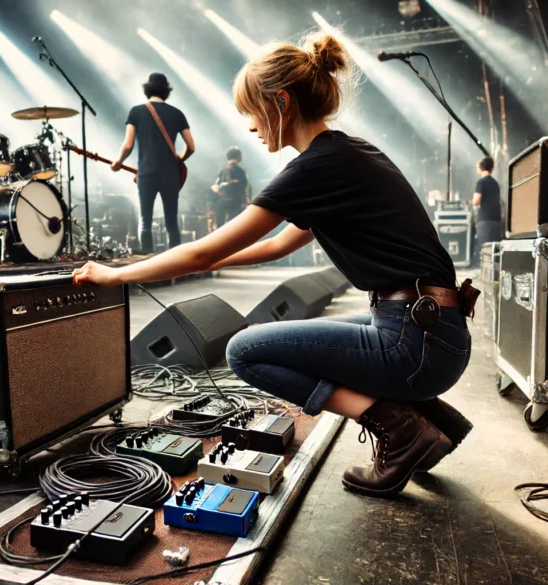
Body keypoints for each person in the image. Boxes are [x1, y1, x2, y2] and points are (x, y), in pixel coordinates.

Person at [75, 32, 475, 499]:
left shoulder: (314, 168)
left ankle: (400, 427)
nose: (249, 127)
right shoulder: (346, 153)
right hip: (432, 333)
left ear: (280, 102)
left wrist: (115, 274)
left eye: (251, 112)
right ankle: (429, 419)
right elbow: (277, 245)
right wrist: (195, 265)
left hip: (415, 344)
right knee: (299, 343)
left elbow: (206, 250)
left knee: (243, 351)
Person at [112, 73, 196, 254]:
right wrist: (178, 159)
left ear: (147, 89)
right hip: (170, 175)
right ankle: (176, 262)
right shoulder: (177, 113)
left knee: (145, 221)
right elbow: (191, 146)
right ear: (167, 91)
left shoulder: (136, 112)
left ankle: (148, 261)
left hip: (146, 174)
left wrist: (118, 162)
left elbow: (128, 144)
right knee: (171, 221)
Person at [472, 156, 502, 265]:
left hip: (485, 220)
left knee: (484, 248)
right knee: (495, 249)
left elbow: (476, 201)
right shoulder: (495, 183)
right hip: (496, 220)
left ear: (481, 167)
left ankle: (485, 273)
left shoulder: (481, 182)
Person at [211, 146, 250, 228]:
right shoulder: (239, 170)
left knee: (220, 226)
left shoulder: (223, 170)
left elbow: (215, 186)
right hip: (236, 203)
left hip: (223, 202)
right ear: (238, 156)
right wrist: (247, 200)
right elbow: (245, 186)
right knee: (235, 226)